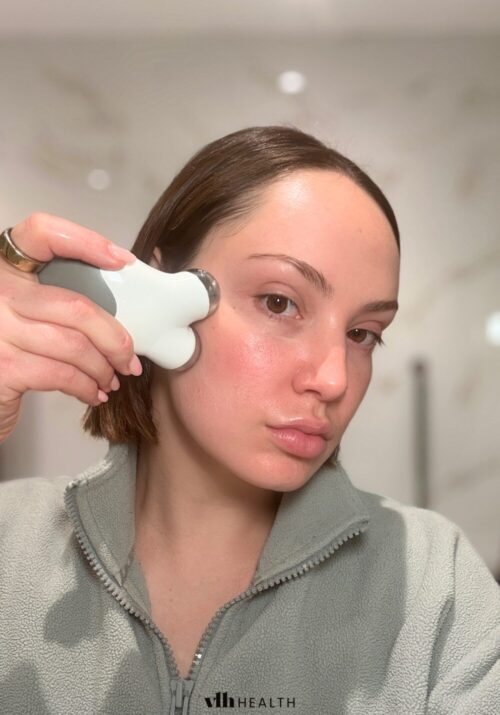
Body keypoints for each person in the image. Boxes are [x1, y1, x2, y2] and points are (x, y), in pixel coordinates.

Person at [0, 126, 498, 715]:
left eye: (363, 334)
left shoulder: (434, 583)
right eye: (279, 302)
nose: (334, 379)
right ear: (153, 288)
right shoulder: (10, 544)